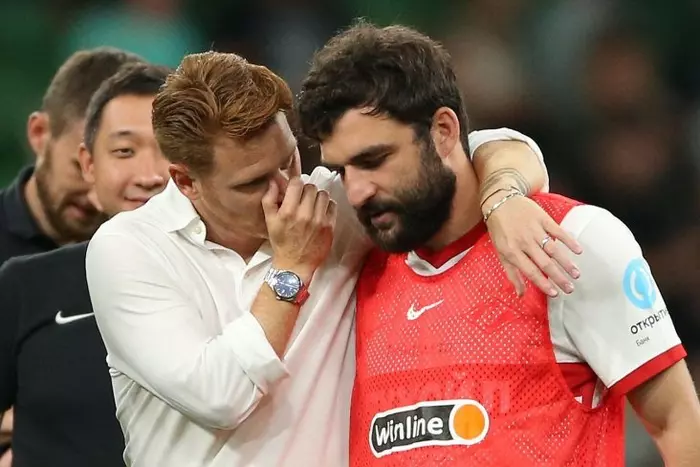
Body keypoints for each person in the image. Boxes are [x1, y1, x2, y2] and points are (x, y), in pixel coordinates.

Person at [84, 51, 578, 466]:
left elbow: (481, 149)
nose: (285, 191)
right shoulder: (129, 249)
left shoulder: (334, 204)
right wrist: (293, 267)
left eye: (289, 161)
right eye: (253, 183)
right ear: (186, 181)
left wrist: (503, 196)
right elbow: (221, 396)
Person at [296, 22, 700, 466]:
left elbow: (677, 422)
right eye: (342, 171)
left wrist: (503, 191)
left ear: (443, 131)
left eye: (374, 160)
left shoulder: (568, 242)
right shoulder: (351, 270)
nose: (356, 192)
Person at [0, 62, 171, 467]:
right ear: (89, 164)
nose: (149, 175)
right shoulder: (26, 285)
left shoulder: (243, 277)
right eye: (124, 151)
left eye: (169, 150)